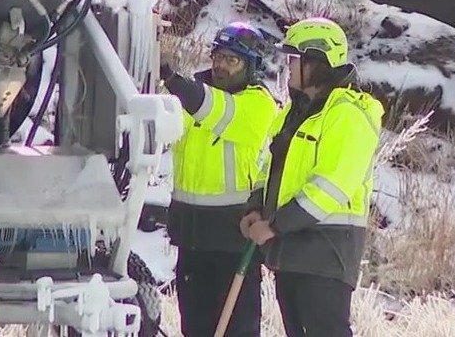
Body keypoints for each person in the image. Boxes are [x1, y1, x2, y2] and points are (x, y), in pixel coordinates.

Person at [239, 17, 383, 337]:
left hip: (325, 253)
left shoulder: (347, 114)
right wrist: (256, 208)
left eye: (294, 59)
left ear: (316, 62)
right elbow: (268, 169)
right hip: (290, 251)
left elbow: (331, 186)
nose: (287, 67)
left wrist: (275, 225)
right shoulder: (294, 114)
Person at [160, 21, 280, 337]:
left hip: (233, 239)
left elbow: (213, 109)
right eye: (218, 56)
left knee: (237, 330)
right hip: (191, 236)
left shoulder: (258, 104)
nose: (221, 65)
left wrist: (172, 78)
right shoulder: (194, 97)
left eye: (232, 59)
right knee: (195, 330)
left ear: (251, 66)